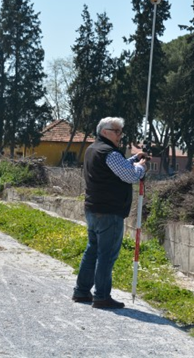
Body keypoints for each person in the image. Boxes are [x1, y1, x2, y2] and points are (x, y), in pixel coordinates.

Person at [72, 117, 148, 309]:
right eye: (117, 131)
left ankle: (81, 291)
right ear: (105, 131)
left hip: (93, 208)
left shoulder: (93, 150)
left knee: (92, 251)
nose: (120, 135)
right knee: (106, 254)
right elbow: (129, 175)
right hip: (109, 211)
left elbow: (117, 167)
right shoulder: (109, 153)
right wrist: (140, 167)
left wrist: (132, 159)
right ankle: (101, 296)